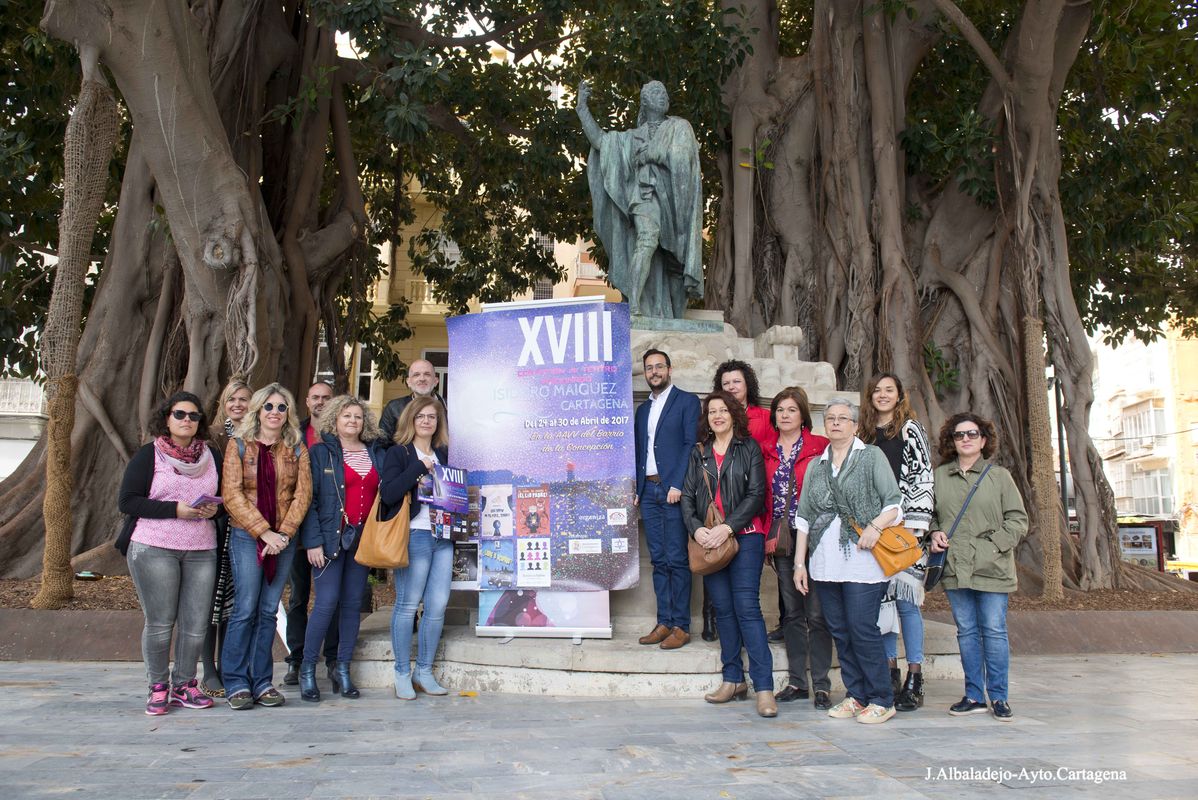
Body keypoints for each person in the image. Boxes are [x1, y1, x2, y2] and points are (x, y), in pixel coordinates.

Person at [792, 398, 902, 724]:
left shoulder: (871, 457)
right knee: (839, 629)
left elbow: (894, 504)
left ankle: (882, 697)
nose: (836, 423)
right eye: (830, 419)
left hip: (862, 561)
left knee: (862, 628)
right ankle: (857, 695)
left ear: (855, 425)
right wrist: (800, 564)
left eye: (843, 418)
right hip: (825, 562)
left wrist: (875, 526)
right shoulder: (817, 465)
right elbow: (804, 518)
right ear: (824, 426)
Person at [118, 391, 221, 715]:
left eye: (194, 416)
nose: (187, 420)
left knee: (196, 624)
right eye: (180, 414)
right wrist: (175, 510)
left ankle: (186, 684)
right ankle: (158, 686)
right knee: (161, 622)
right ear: (166, 418)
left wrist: (212, 513)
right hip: (155, 547)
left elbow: (223, 501)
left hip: (201, 549)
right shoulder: (149, 456)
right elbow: (129, 501)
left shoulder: (211, 456)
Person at [928, 413, 1028, 721]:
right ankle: (973, 695)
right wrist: (933, 532)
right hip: (956, 568)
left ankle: (998, 696)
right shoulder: (939, 476)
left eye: (972, 434)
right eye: (959, 435)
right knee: (967, 632)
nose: (966, 439)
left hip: (992, 567)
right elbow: (928, 513)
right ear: (952, 442)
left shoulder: (999, 477)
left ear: (983, 440)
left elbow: (1018, 520)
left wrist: (992, 547)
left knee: (994, 631)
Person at [576, 79, 704, 318]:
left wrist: (656, 153)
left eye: (664, 92)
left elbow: (684, 157)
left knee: (676, 262)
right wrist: (582, 109)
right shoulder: (631, 138)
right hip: (645, 196)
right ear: (645, 102)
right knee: (646, 239)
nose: (663, 96)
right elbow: (601, 142)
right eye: (657, 93)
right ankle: (633, 304)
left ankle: (674, 314)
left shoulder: (680, 127)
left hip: (675, 202)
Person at [681, 391, 774, 718]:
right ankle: (732, 679)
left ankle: (764, 687)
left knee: (746, 606)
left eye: (723, 410)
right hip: (709, 542)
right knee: (722, 609)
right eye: (712, 412)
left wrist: (729, 527)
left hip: (745, 537)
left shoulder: (748, 448)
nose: (718, 416)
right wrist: (698, 530)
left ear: (734, 414)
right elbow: (687, 499)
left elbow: (756, 494)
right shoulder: (699, 453)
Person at [220, 383, 312, 710]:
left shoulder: (297, 449)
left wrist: (283, 533)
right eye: (269, 406)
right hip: (248, 536)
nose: (275, 412)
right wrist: (263, 532)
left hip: (284, 539)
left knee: (268, 610)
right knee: (245, 607)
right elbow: (232, 495)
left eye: (281, 407)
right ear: (258, 410)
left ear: (289, 414)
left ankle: (261, 681)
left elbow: (303, 495)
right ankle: (235, 681)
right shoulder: (239, 446)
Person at [298, 395, 387, 702]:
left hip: (363, 539)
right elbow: (308, 501)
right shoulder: (321, 453)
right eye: (347, 416)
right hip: (329, 538)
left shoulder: (375, 453)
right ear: (334, 419)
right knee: (326, 603)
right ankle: (308, 669)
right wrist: (312, 541)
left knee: (352, 605)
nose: (352, 421)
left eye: (358, 417)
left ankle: (343, 669)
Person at [859, 373, 935, 711]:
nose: (882, 395)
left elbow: (922, 475)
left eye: (889, 390)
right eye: (877, 390)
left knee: (906, 602)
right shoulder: (863, 434)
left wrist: (913, 523)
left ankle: (915, 677)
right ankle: (889, 670)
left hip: (904, 527)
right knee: (882, 604)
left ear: (900, 395)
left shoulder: (909, 429)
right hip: (872, 530)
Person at [762, 387, 833, 710]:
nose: (785, 415)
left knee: (817, 613)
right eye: (780, 410)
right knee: (791, 612)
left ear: (803, 415)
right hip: (783, 537)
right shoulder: (766, 450)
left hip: (816, 537)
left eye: (791, 410)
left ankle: (821, 684)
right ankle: (796, 681)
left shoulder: (821, 447)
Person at [381, 396, 452, 700]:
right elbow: (389, 493)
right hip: (415, 535)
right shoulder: (399, 453)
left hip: (443, 537)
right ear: (411, 419)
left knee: (436, 608)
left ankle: (424, 671)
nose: (426, 421)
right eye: (421, 416)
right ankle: (401, 673)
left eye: (432, 417)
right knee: (408, 606)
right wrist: (418, 469)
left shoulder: (444, 454)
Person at [634, 348, 701, 650]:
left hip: (673, 491)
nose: (654, 372)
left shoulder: (687, 402)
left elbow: (690, 444)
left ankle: (681, 626)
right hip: (648, 493)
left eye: (659, 366)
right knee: (659, 561)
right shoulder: (643, 410)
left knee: (677, 559)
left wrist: (677, 484)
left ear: (670, 369)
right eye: (649, 368)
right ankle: (664, 622)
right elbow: (639, 451)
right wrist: (637, 489)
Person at [710, 359, 777, 642]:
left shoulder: (764, 417)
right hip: (723, 507)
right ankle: (716, 621)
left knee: (747, 597)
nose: (731, 387)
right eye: (725, 384)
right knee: (721, 590)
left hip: (758, 502)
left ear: (747, 383)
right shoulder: (716, 420)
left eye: (736, 382)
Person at [283, 380, 339, 687]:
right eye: (315, 397)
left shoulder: (341, 435)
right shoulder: (293, 433)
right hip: (296, 525)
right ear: (306, 401)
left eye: (326, 397)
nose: (320, 401)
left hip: (330, 528)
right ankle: (297, 658)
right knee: (299, 597)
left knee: (331, 597)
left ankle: (331, 659)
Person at [199, 378, 251, 697]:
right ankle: (208, 669)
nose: (238, 404)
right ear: (223, 403)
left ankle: (229, 664)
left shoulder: (259, 435)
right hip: (216, 525)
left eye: (244, 399)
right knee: (210, 599)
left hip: (245, 528)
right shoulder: (213, 436)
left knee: (235, 601)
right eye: (232, 399)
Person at [378, 359, 445, 443]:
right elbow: (381, 444)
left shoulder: (449, 408)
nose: (422, 378)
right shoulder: (393, 408)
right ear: (408, 382)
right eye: (416, 375)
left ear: (436, 381)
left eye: (427, 374)